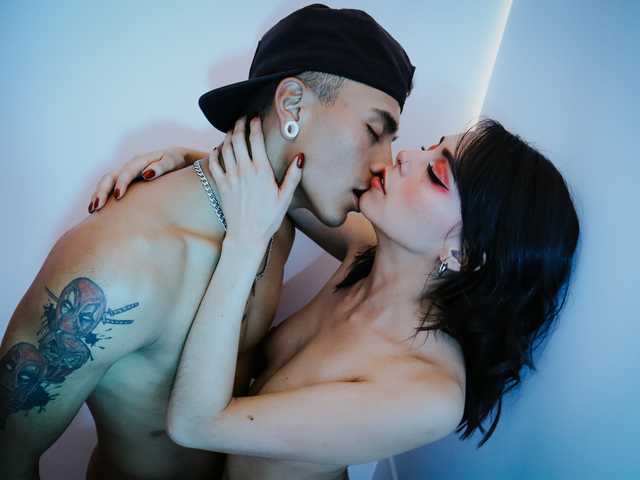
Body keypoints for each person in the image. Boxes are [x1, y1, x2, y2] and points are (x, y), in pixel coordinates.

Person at [0, 5, 414, 480]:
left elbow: (393, 254)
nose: (385, 163)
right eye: (374, 131)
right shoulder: (121, 263)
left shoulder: (276, 212)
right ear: (293, 105)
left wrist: (199, 157)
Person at [95, 116, 579, 480]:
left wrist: (245, 244)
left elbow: (195, 425)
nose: (406, 157)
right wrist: (191, 163)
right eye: (429, 147)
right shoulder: (366, 252)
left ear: (463, 254)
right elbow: (278, 188)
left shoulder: (427, 394)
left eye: (435, 174)